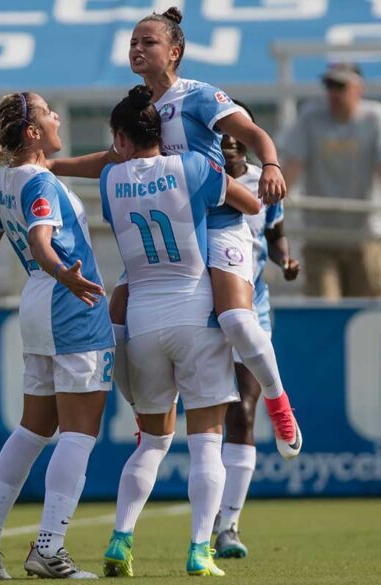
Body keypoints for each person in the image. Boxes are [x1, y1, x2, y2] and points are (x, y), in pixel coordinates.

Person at [51, 6, 302, 461]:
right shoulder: (141, 108)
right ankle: (145, 417)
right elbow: (111, 159)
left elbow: (252, 131)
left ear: (175, 50)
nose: (138, 49)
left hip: (220, 223)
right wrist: (50, 166)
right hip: (174, 236)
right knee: (118, 316)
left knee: (235, 320)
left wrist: (271, 163)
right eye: (133, 42)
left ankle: (279, 403)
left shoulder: (199, 96)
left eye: (148, 42)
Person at [100, 85, 261, 578]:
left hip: (143, 321)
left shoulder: (109, 179)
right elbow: (250, 207)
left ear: (121, 139)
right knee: (207, 442)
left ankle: (121, 540)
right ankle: (199, 550)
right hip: (195, 315)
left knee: (150, 443)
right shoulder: (194, 167)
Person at [0, 91, 115, 580]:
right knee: (79, 432)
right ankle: (49, 548)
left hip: (37, 304)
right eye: (47, 112)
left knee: (34, 428)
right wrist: (63, 273)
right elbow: (41, 239)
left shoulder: (5, 182)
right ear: (32, 132)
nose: (54, 118)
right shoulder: (40, 182)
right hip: (69, 303)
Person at [213, 101, 300, 559]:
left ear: (245, 140)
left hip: (254, 307)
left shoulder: (263, 184)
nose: (227, 145)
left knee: (243, 411)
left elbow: (275, 233)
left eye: (233, 139)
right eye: (220, 138)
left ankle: (228, 525)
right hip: (204, 312)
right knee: (208, 417)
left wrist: (285, 259)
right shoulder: (201, 176)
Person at [282, 62, 381, 299]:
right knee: (324, 307)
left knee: (367, 312)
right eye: (330, 86)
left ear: (359, 88)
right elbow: (292, 168)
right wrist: (272, 207)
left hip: (365, 234)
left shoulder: (374, 118)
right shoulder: (311, 117)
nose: (334, 93)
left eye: (341, 86)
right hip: (320, 235)